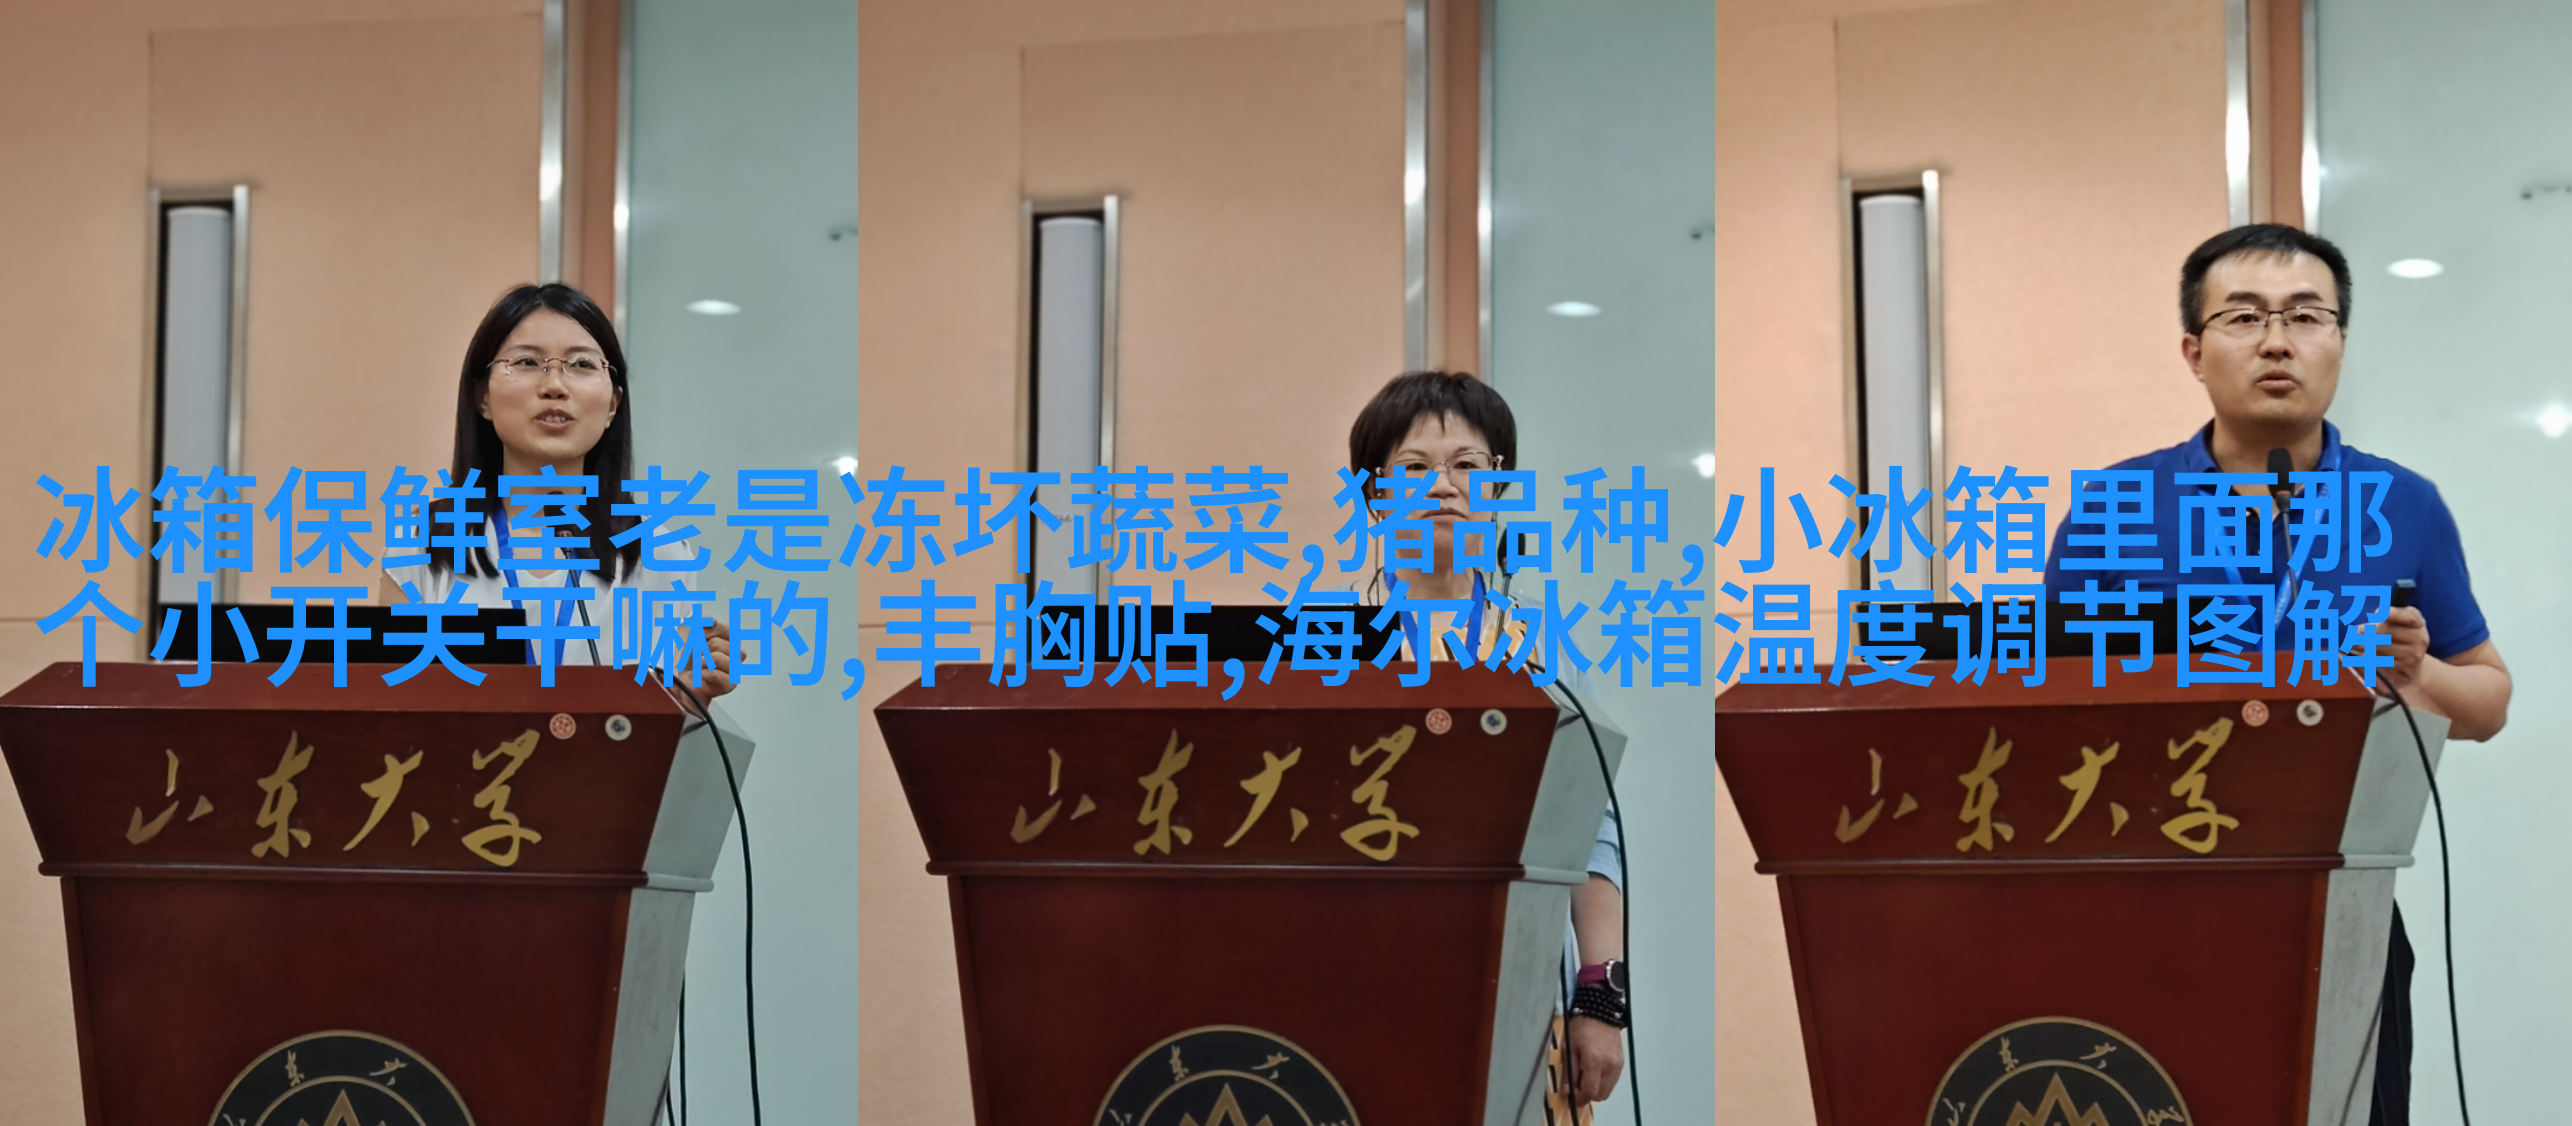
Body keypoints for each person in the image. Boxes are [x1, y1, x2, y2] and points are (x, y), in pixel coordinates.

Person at [2043, 224, 2510, 1123]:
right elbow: (2050, 703)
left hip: (2344, 902)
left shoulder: (2401, 503)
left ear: (2340, 340)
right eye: (2244, 317)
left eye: (2305, 316)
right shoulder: (2115, 508)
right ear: (2194, 351)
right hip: (2150, 897)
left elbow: (2488, 700)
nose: (2276, 341)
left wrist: (2415, 673)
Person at [1343, 370, 1627, 1118]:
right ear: (1374, 494)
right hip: (1360, 975)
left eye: (1468, 464)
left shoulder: (1542, 645)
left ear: (1500, 488)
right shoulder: (1323, 645)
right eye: (1414, 467)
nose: (1444, 486)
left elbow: (1590, 832)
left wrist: (1600, 995)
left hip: (1525, 983)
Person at [380, 283, 732, 697]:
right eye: (527, 362)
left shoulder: (660, 554)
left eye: (581, 364)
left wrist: (689, 699)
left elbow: (663, 730)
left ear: (613, 404)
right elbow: (390, 710)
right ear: (483, 397)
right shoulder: (422, 542)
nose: (554, 385)